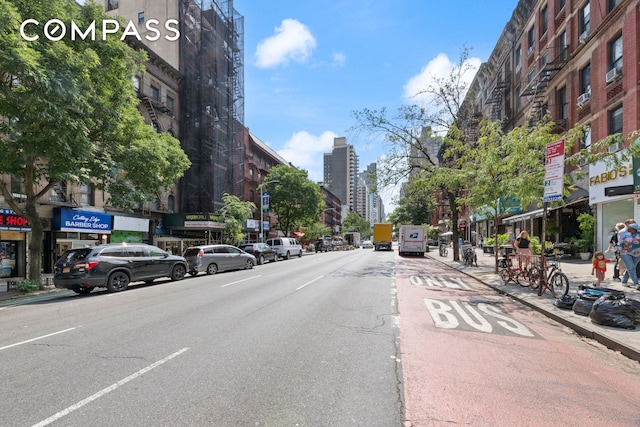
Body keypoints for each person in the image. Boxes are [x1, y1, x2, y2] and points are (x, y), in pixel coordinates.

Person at [617, 223, 640, 289]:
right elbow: (620, 243)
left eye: (630, 228)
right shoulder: (625, 235)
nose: (628, 229)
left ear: (634, 229)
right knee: (631, 268)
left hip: (637, 253)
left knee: (631, 268)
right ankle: (636, 284)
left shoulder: (639, 234)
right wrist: (619, 249)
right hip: (625, 252)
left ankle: (624, 281)